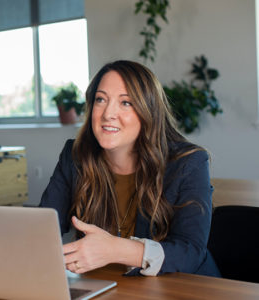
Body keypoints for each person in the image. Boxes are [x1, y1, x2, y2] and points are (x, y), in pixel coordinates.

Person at [39, 60, 221, 277]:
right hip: (105, 286)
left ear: (149, 111)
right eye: (101, 99)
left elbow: (191, 253)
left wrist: (116, 250)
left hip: (181, 288)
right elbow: (43, 229)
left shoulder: (188, 162)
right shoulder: (75, 155)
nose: (108, 113)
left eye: (126, 103)